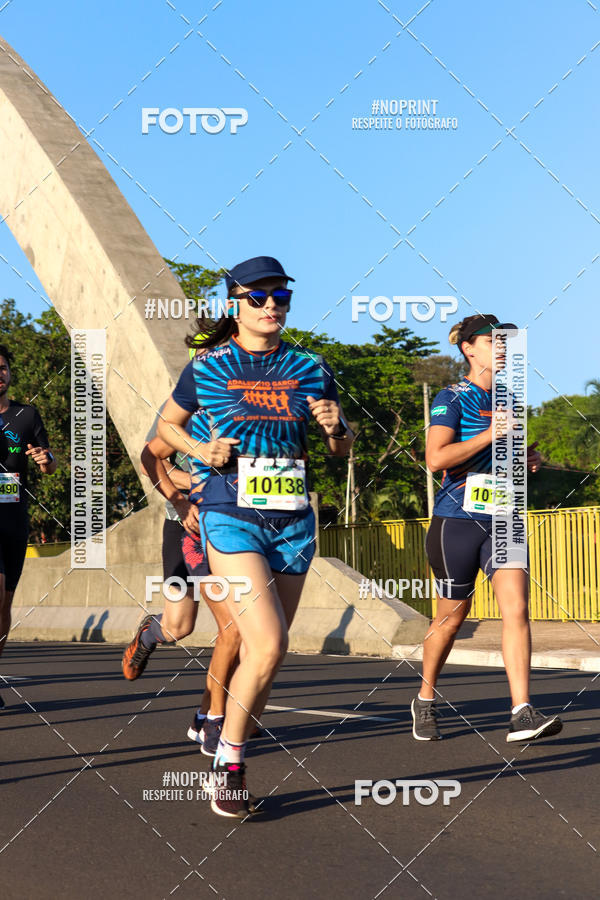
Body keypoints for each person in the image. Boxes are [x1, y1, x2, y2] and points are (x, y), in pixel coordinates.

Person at [157, 256, 355, 817]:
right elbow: (165, 428)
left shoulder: (311, 366)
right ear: (234, 305)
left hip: (293, 521)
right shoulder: (209, 366)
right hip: (230, 514)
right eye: (258, 297)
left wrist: (337, 427)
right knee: (267, 643)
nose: (271, 306)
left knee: (267, 658)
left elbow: (341, 451)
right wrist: (200, 450)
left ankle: (228, 741)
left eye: (281, 297)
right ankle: (229, 765)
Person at [413, 314, 562, 743]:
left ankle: (521, 712)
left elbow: (508, 462)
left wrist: (527, 463)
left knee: (516, 609)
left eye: (506, 341)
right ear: (468, 348)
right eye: (492, 340)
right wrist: (488, 435)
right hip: (456, 523)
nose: (502, 346)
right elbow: (436, 458)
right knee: (451, 620)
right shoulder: (451, 397)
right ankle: (424, 698)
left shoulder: (511, 399)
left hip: (504, 521)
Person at [121, 405, 243, 757]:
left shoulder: (252, 399)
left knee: (234, 627)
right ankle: (149, 633)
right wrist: (193, 487)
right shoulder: (186, 400)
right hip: (184, 523)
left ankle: (209, 716)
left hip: (232, 528)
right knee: (178, 627)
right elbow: (154, 461)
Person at [0, 344, 57, 709]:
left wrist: (44, 458)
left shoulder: (26, 414)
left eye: (3, 367)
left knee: (5, 603)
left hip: (12, 519)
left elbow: (49, 462)